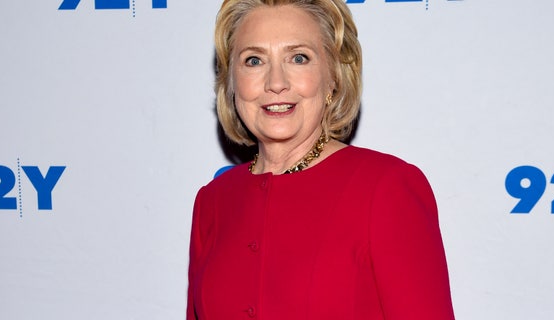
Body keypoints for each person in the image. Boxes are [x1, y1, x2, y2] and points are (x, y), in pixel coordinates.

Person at [187, 0, 455, 319]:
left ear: (333, 77)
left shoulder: (385, 188)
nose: (275, 83)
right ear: (231, 82)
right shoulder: (213, 201)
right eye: (254, 60)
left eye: (299, 58)